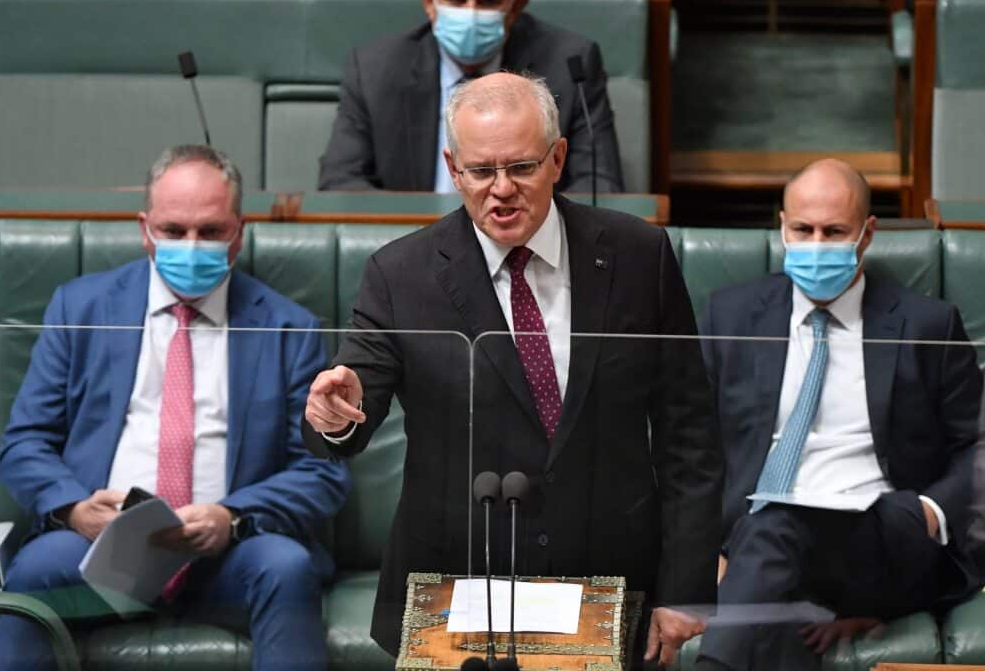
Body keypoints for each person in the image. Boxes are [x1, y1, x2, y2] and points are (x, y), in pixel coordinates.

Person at [305, 72, 720, 666]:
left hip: (610, 579)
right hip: (459, 585)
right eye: (480, 171)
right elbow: (351, 409)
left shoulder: (637, 257)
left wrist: (685, 587)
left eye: (521, 168)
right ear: (453, 168)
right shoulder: (400, 275)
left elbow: (689, 436)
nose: (500, 190)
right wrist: (334, 413)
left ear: (558, 159)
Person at [0, 145, 350, 671]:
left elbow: (322, 472)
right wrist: (74, 509)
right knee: (34, 572)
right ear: (145, 229)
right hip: (100, 553)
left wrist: (233, 517)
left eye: (210, 232)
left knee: (287, 567)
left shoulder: (288, 328)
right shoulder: (82, 308)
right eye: (174, 230)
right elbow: (24, 443)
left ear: (238, 234)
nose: (191, 245)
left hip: (228, 556)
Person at [697, 159, 985, 671]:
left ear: (867, 234)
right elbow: (691, 442)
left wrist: (931, 512)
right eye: (802, 229)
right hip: (765, 549)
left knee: (771, 530)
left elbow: (982, 446)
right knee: (774, 568)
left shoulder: (926, 325)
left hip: (885, 533)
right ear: (780, 226)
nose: (815, 244)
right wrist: (704, 549)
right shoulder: (732, 315)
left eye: (834, 232)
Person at [318, 0, 625, 194]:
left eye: (488, 1)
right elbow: (340, 184)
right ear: (429, 0)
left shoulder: (570, 64)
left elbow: (599, 186)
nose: (471, 12)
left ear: (515, 7)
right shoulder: (376, 69)